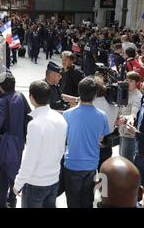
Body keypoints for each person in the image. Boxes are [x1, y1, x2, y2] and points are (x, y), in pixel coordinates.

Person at [13, 80, 67, 208]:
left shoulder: (35, 125)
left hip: (36, 183)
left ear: (31, 98)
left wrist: (18, 184)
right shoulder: (60, 118)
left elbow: (30, 159)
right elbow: (61, 150)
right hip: (54, 180)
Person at [0, 73, 31, 208]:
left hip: (4, 144)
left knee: (0, 176)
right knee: (14, 173)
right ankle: (12, 201)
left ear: (0, 87)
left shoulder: (1, 102)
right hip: (19, 142)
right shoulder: (21, 96)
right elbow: (28, 116)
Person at [63, 77, 110, 208]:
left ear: (79, 92)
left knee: (73, 201)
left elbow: (65, 137)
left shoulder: (67, 114)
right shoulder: (102, 115)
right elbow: (101, 139)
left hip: (72, 164)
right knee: (87, 200)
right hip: (91, 165)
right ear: (95, 95)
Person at [117, 72, 143, 162]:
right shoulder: (124, 92)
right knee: (121, 158)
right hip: (121, 131)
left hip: (129, 134)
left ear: (136, 83)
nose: (128, 83)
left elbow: (133, 114)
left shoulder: (138, 96)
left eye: (131, 81)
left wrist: (127, 118)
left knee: (126, 161)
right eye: (127, 80)